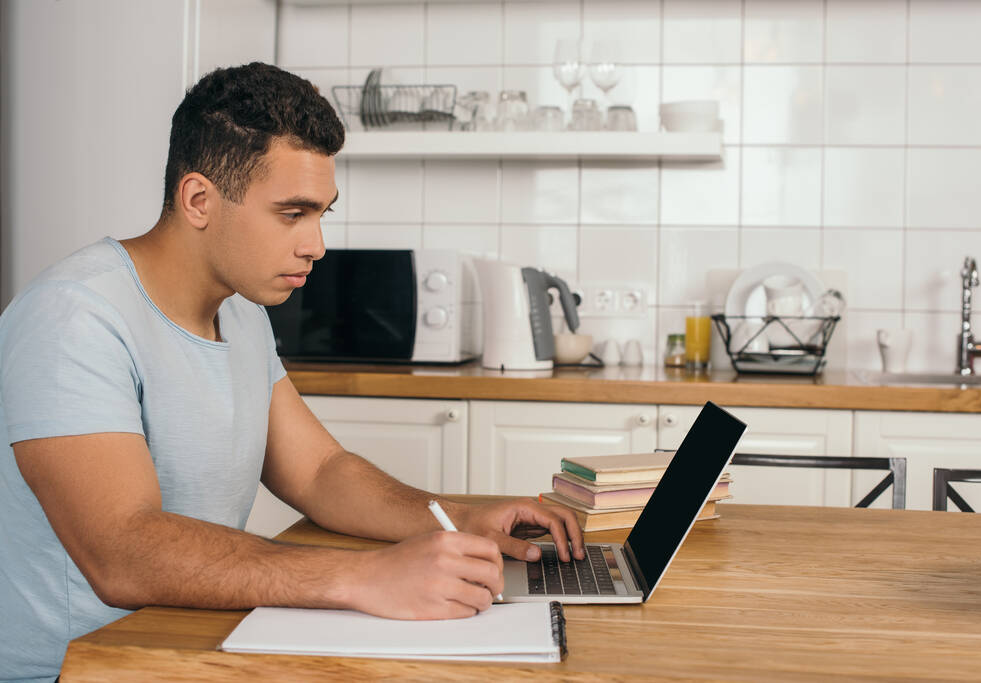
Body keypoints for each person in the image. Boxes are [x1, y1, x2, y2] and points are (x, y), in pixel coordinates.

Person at [0, 62, 584, 682]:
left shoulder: (241, 312)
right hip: (82, 668)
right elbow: (121, 551)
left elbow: (319, 471)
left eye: (322, 213)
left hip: (190, 643)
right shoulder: (74, 316)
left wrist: (462, 517)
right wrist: (367, 576)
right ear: (198, 200)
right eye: (293, 214)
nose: (317, 244)